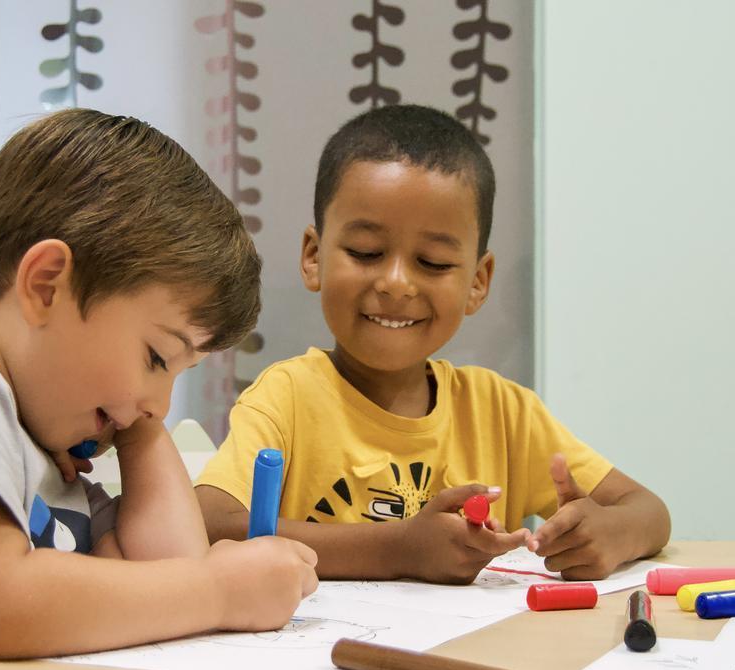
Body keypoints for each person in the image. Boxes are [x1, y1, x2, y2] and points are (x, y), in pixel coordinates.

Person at [0, 109, 318, 670]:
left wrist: (140, 434)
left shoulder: (47, 455)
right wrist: (218, 591)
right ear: (45, 286)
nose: (159, 405)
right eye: (157, 357)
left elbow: (168, 569)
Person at [196, 104, 670, 584]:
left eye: (434, 262)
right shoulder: (287, 398)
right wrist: (399, 549)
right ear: (314, 257)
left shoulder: (502, 413)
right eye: (366, 253)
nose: (397, 283)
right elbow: (211, 526)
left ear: (478, 282)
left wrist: (610, 532)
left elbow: (649, 511)